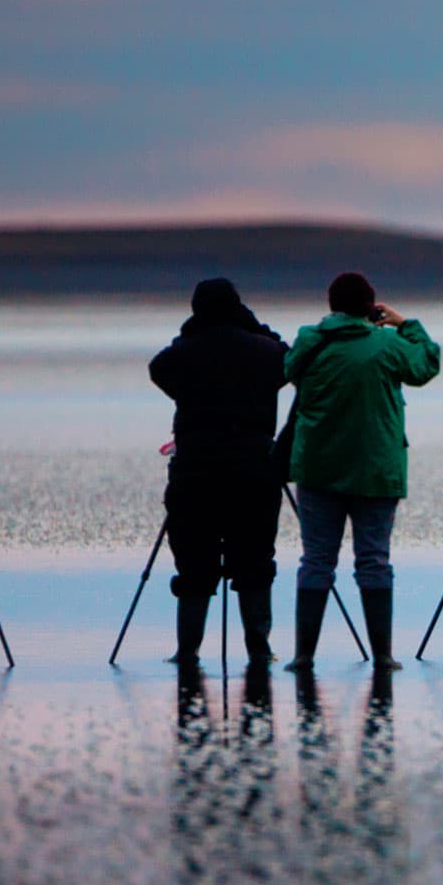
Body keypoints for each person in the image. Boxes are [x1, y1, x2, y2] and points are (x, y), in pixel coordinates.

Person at [285, 272, 441, 672]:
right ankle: (383, 656)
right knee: (373, 560)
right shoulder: (387, 344)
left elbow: (288, 369)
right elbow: (427, 364)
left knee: (316, 560)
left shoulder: (310, 342)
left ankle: (304, 656)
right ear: (370, 307)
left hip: (318, 470)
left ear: (331, 305)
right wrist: (405, 324)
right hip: (376, 471)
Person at [148, 278, 287, 665]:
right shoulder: (264, 352)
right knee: (256, 560)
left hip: (196, 468)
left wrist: (192, 332)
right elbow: (289, 359)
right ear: (238, 307)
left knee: (193, 562)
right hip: (254, 468)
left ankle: (187, 651)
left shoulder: (184, 351)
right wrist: (253, 324)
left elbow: (158, 368)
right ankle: (259, 648)